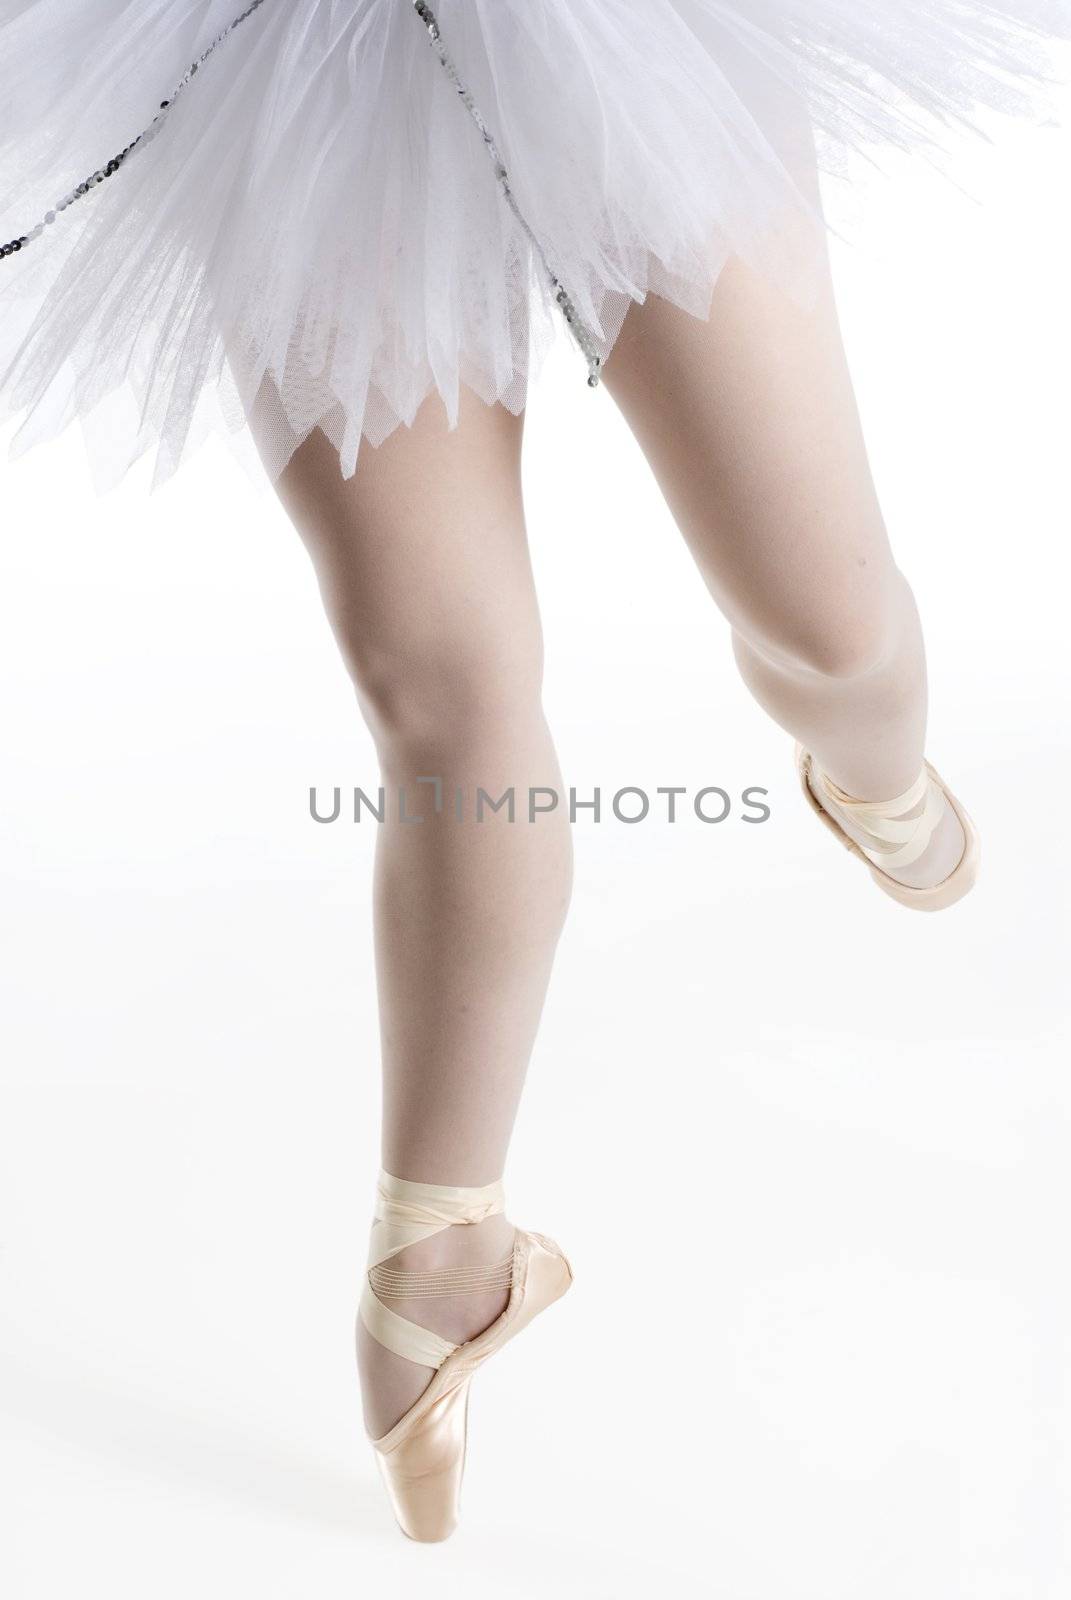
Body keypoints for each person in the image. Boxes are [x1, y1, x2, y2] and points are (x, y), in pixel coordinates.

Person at [0, 0, 1063, 1544]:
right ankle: (438, 1246)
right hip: (288, 53)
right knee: (437, 684)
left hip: (609, 31)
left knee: (824, 620)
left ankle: (873, 770)